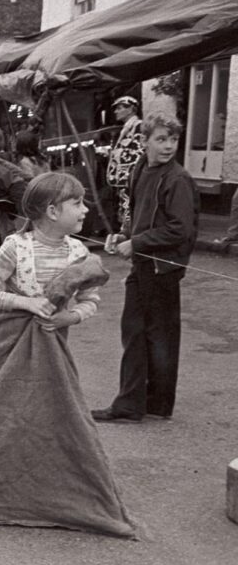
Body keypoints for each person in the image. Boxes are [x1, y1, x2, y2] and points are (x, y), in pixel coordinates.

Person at [0, 172, 136, 538]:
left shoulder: (79, 253)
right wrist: (26, 302)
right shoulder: (15, 247)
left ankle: (50, 492)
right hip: (9, 347)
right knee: (0, 415)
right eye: (78, 203)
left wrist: (69, 315)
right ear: (52, 211)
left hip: (54, 350)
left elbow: (91, 301)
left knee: (57, 416)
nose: (85, 210)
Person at [93, 113, 198, 423]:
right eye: (161, 139)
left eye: (174, 140)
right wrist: (123, 234)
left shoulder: (177, 179)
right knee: (139, 332)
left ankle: (145, 402)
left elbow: (180, 228)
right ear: (144, 141)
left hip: (161, 269)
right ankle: (146, 402)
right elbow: (136, 210)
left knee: (156, 335)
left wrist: (137, 243)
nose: (168, 146)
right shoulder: (141, 168)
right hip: (145, 265)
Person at [104, 96, 145, 228]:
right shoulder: (126, 128)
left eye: (119, 108)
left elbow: (138, 151)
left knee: (130, 208)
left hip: (131, 177)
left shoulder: (138, 126)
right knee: (125, 207)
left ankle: (130, 235)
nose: (116, 111)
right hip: (123, 179)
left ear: (131, 109)